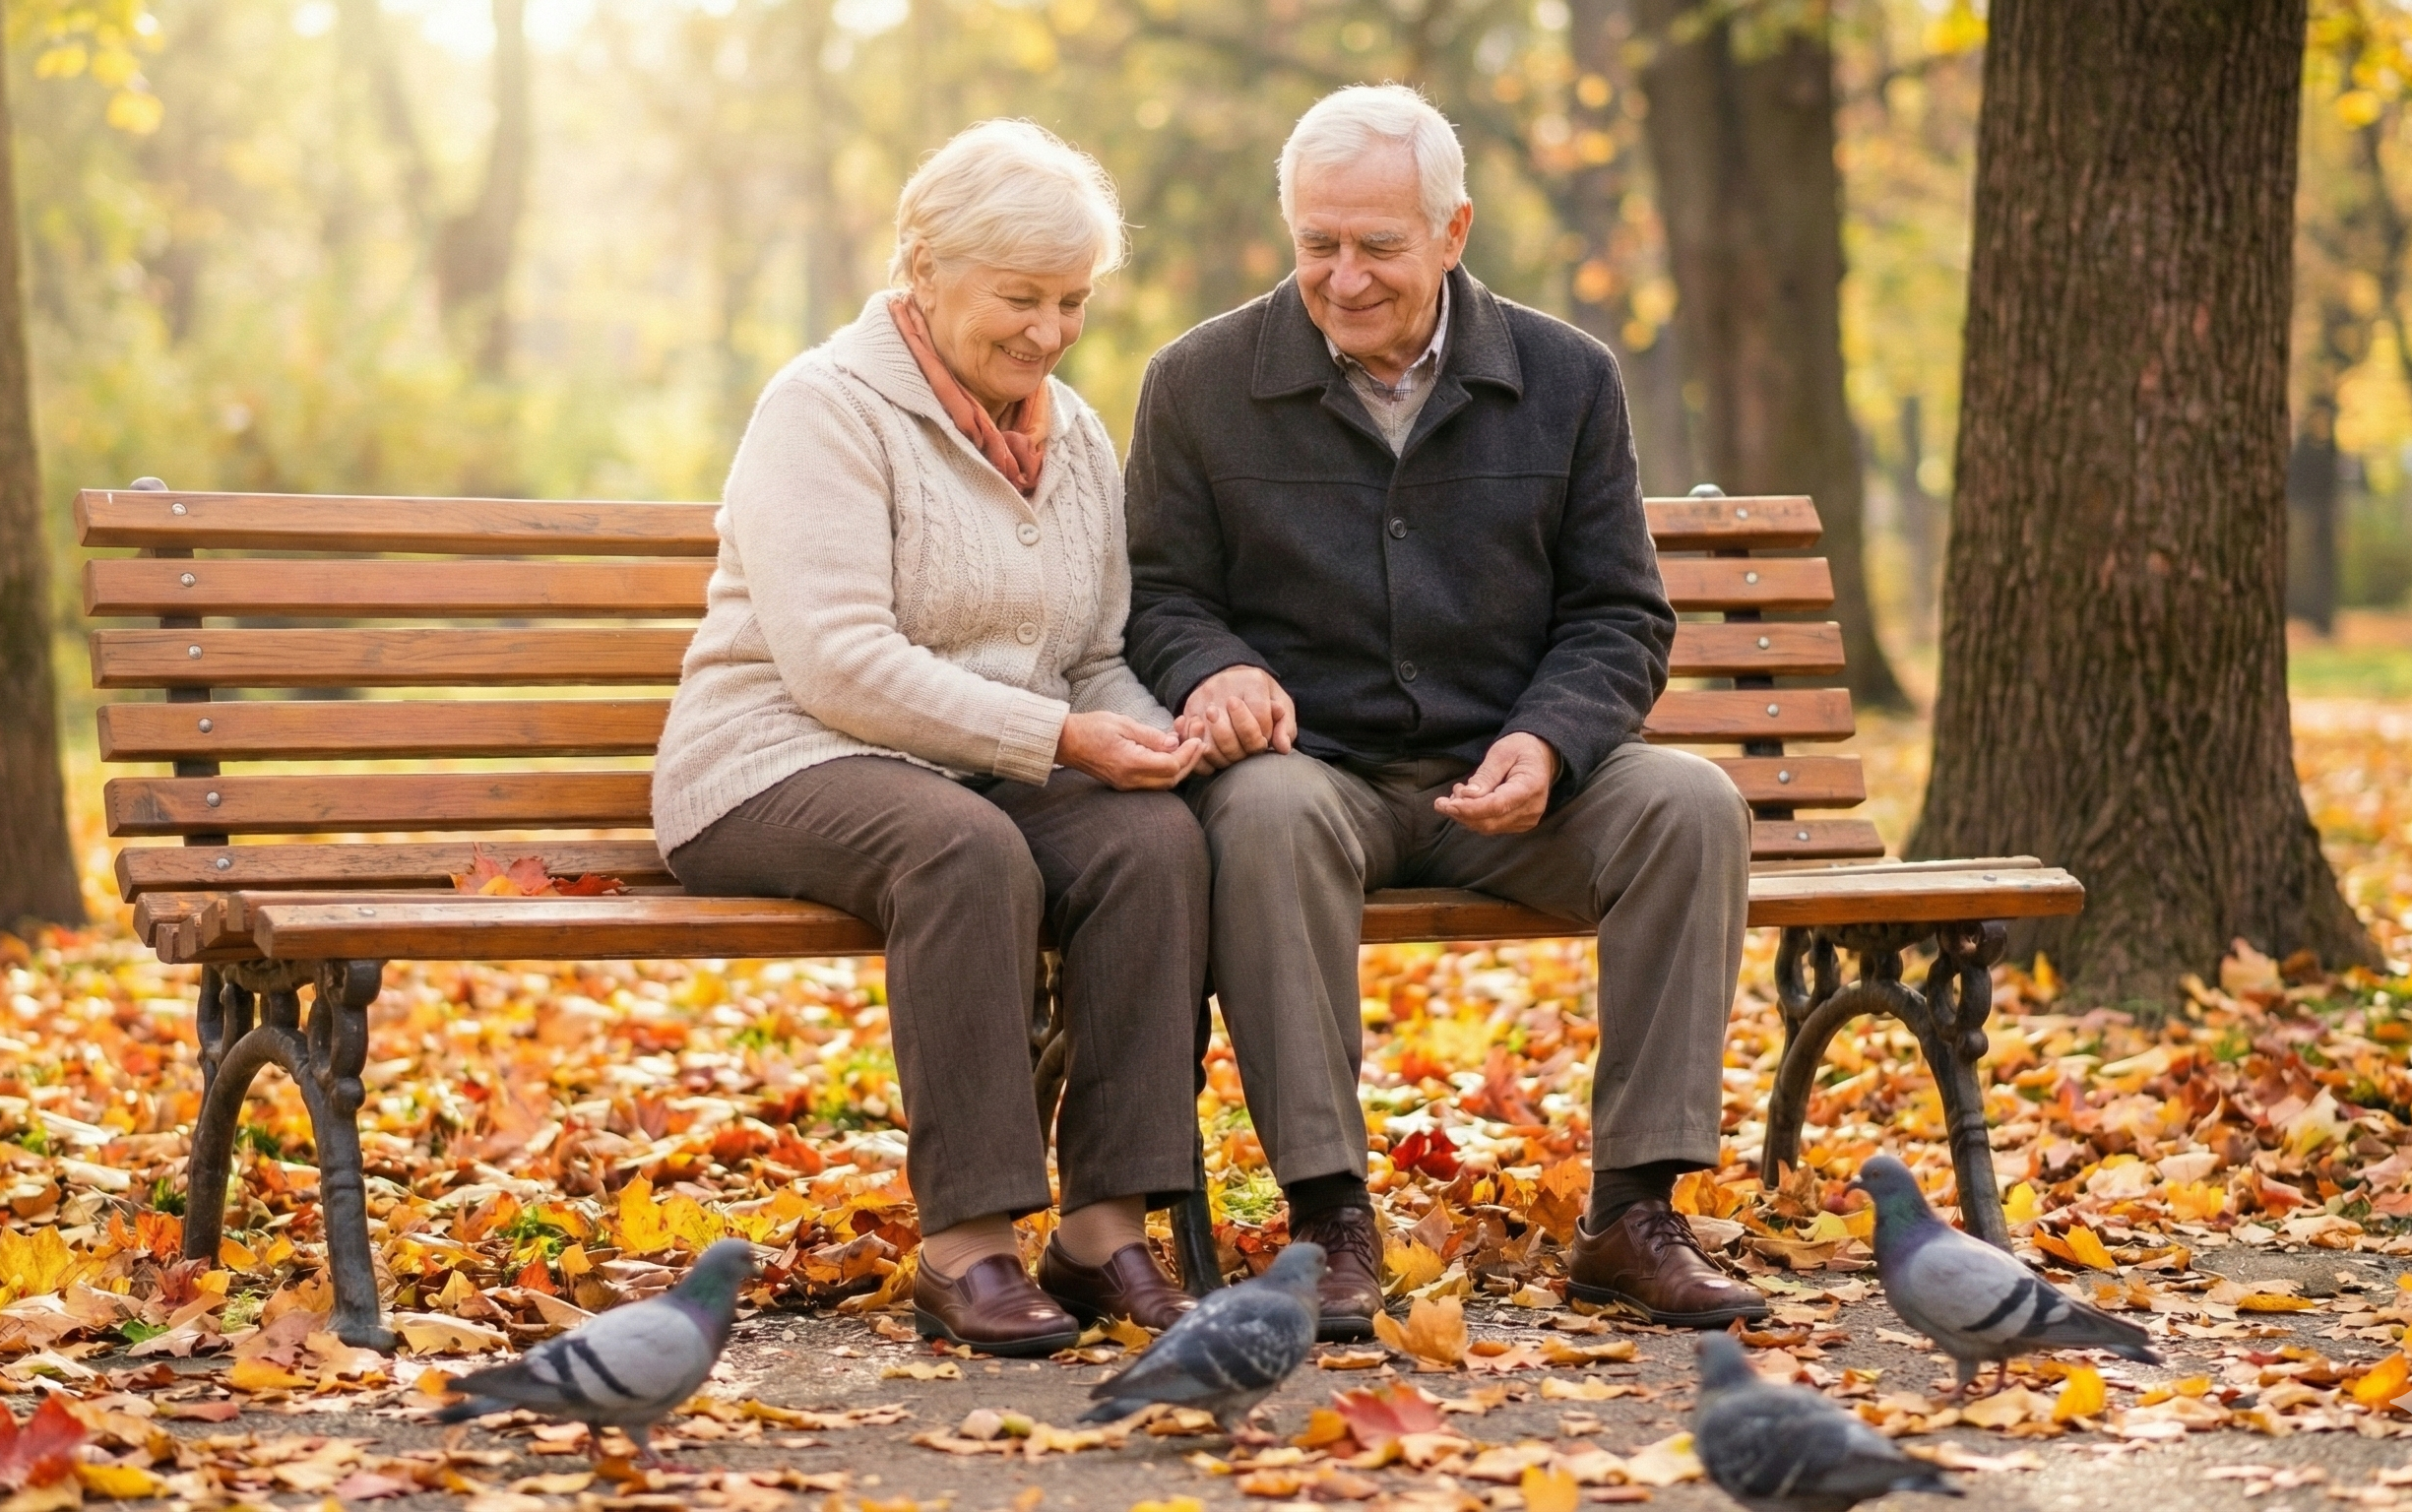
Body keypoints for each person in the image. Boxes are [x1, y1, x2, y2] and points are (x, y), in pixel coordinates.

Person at [1124, 86, 1769, 1340]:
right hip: (1315, 773)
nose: (1344, 276)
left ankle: (1631, 1215)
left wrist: (1549, 738)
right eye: (1319, 244)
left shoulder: (1566, 379)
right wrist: (1212, 668)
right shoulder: (1196, 383)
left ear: (1452, 229)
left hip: (1515, 783)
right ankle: (1329, 1219)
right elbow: (1154, 596)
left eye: (1378, 245)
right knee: (1259, 815)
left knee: (1690, 803)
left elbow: (1618, 614)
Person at [656, 120, 1212, 1355]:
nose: (1049, 332)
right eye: (1019, 297)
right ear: (921, 265)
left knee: (1152, 841)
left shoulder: (1070, 435)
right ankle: (966, 1248)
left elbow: (1094, 655)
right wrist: (1064, 736)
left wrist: (1155, 735)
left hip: (976, 766)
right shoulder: (825, 409)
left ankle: (1103, 1231)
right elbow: (837, 663)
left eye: (1070, 302)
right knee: (965, 852)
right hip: (775, 757)